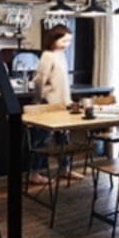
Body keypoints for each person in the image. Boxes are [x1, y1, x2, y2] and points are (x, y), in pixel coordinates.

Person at [29, 23, 83, 184]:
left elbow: (62, 81)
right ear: (53, 40)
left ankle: (65, 169)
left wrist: (68, 101)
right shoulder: (48, 55)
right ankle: (33, 173)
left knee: (63, 138)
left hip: (62, 103)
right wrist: (38, 98)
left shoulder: (61, 55)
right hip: (49, 103)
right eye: (64, 41)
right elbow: (39, 80)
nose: (67, 44)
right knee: (42, 140)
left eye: (69, 41)